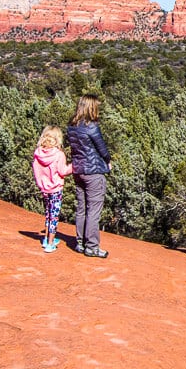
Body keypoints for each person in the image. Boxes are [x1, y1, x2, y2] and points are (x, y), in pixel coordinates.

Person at [67, 94, 112, 258]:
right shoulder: (92, 126)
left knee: (81, 208)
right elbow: (102, 149)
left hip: (78, 171)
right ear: (92, 107)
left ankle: (80, 243)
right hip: (93, 172)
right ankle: (92, 246)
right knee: (94, 210)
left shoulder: (72, 126)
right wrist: (108, 161)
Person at [32, 125, 73, 253]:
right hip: (56, 189)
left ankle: (46, 239)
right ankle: (50, 244)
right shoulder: (59, 155)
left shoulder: (38, 153)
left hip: (44, 189)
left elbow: (36, 172)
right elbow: (63, 171)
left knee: (48, 214)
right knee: (54, 216)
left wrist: (41, 185)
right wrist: (74, 166)